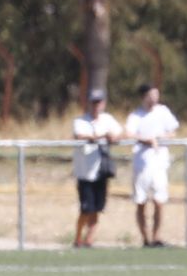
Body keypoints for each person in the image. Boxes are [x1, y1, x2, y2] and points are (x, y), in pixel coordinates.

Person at [125, 83, 179, 248]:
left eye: (156, 94)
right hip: (142, 164)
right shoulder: (136, 116)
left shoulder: (163, 111)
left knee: (159, 200)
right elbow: (129, 133)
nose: (154, 98)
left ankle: (156, 237)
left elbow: (173, 131)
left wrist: (161, 137)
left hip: (160, 163)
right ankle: (145, 238)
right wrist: (146, 139)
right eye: (150, 95)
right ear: (143, 97)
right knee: (141, 201)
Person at [72, 89, 122, 248]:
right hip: (85, 172)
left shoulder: (108, 119)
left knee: (97, 208)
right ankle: (78, 237)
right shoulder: (80, 121)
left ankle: (89, 240)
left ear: (103, 103)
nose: (96, 106)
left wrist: (113, 137)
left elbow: (120, 133)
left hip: (101, 171)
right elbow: (80, 135)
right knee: (85, 209)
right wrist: (100, 136)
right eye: (93, 102)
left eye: (99, 102)